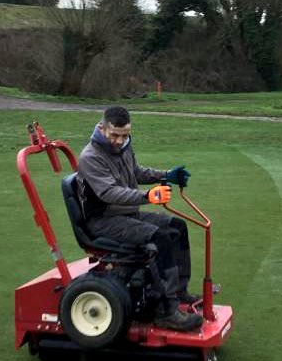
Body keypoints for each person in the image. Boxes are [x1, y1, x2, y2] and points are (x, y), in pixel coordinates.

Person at [76, 105, 202, 332]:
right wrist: (148, 195)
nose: (119, 140)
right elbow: (109, 192)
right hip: (104, 220)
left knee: (177, 226)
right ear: (102, 128)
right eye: (114, 134)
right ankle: (166, 312)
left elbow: (136, 172)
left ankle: (179, 291)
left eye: (124, 135)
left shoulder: (123, 147)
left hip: (127, 214)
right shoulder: (90, 157)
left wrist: (166, 175)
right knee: (160, 238)